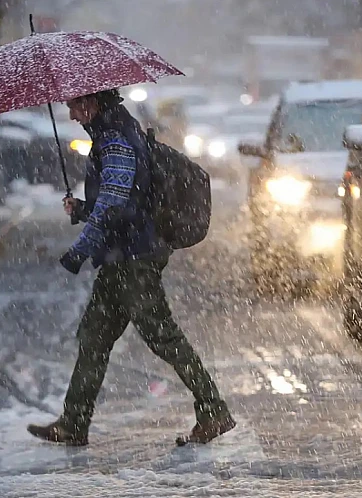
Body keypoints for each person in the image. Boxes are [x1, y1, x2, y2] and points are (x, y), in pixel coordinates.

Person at [27, 89, 235, 446]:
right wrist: (81, 209)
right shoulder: (115, 134)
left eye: (75, 106)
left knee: (163, 337)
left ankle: (214, 410)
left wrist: (79, 250)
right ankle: (74, 423)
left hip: (134, 259)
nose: (73, 115)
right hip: (120, 258)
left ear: (93, 102)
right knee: (94, 337)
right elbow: (118, 202)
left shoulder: (116, 141)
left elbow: (114, 206)